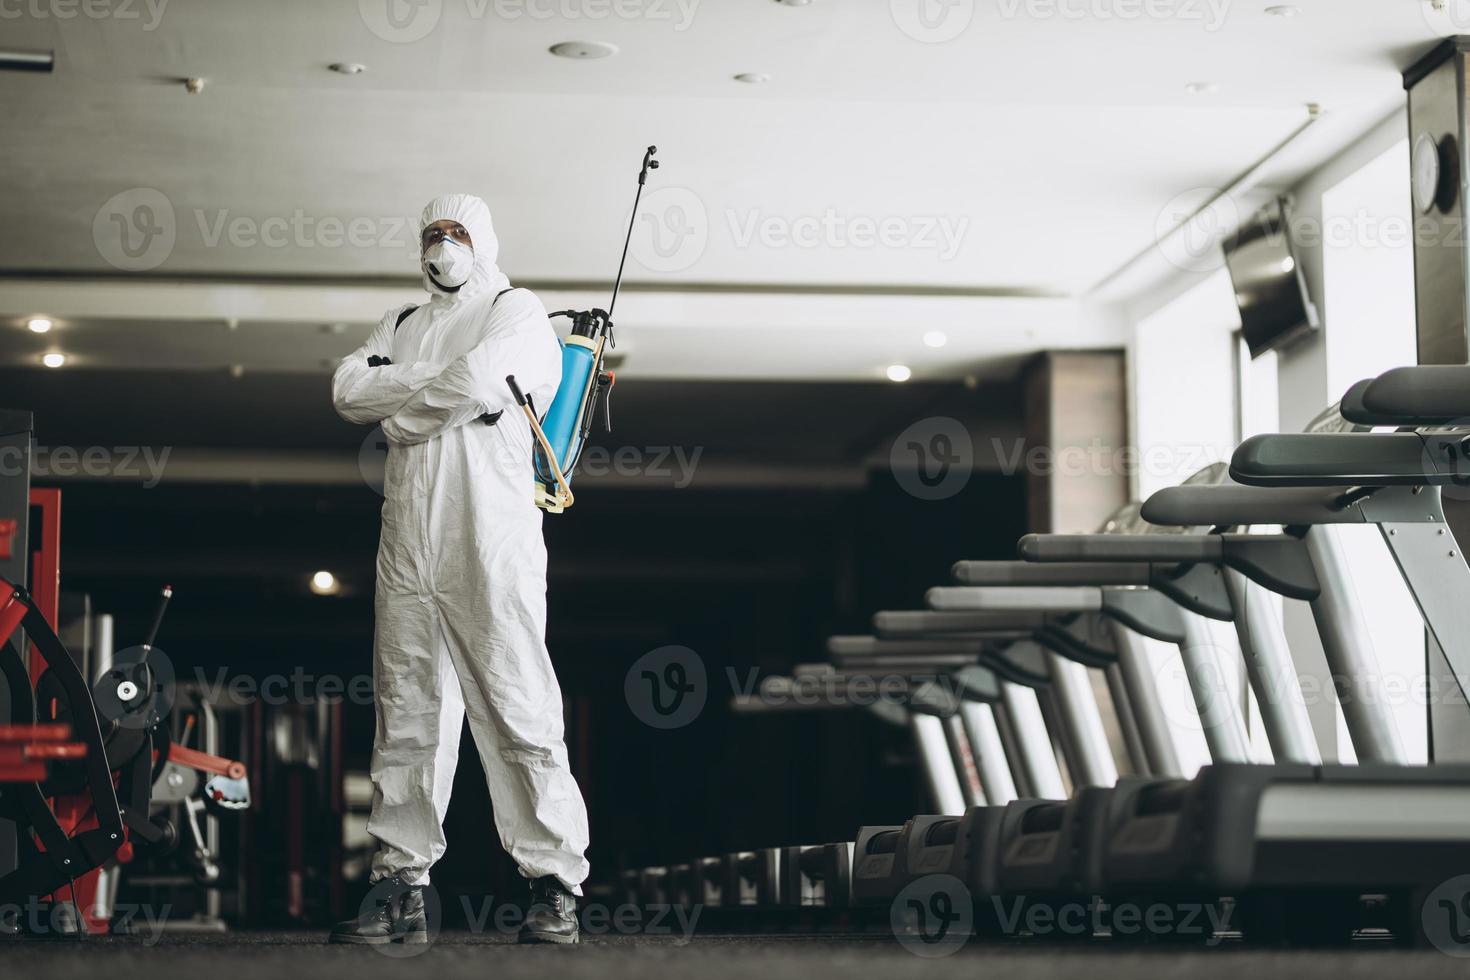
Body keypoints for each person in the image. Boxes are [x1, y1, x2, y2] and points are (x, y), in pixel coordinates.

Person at [327, 193, 589, 946]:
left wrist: (400, 404)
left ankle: (553, 883)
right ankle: (400, 886)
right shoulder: (403, 323)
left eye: (457, 233)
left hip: (491, 533)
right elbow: (347, 391)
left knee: (515, 701)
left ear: (485, 239)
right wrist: (433, 388)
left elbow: (479, 383)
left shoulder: (517, 309)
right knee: (406, 707)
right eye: (432, 235)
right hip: (409, 538)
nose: (443, 246)